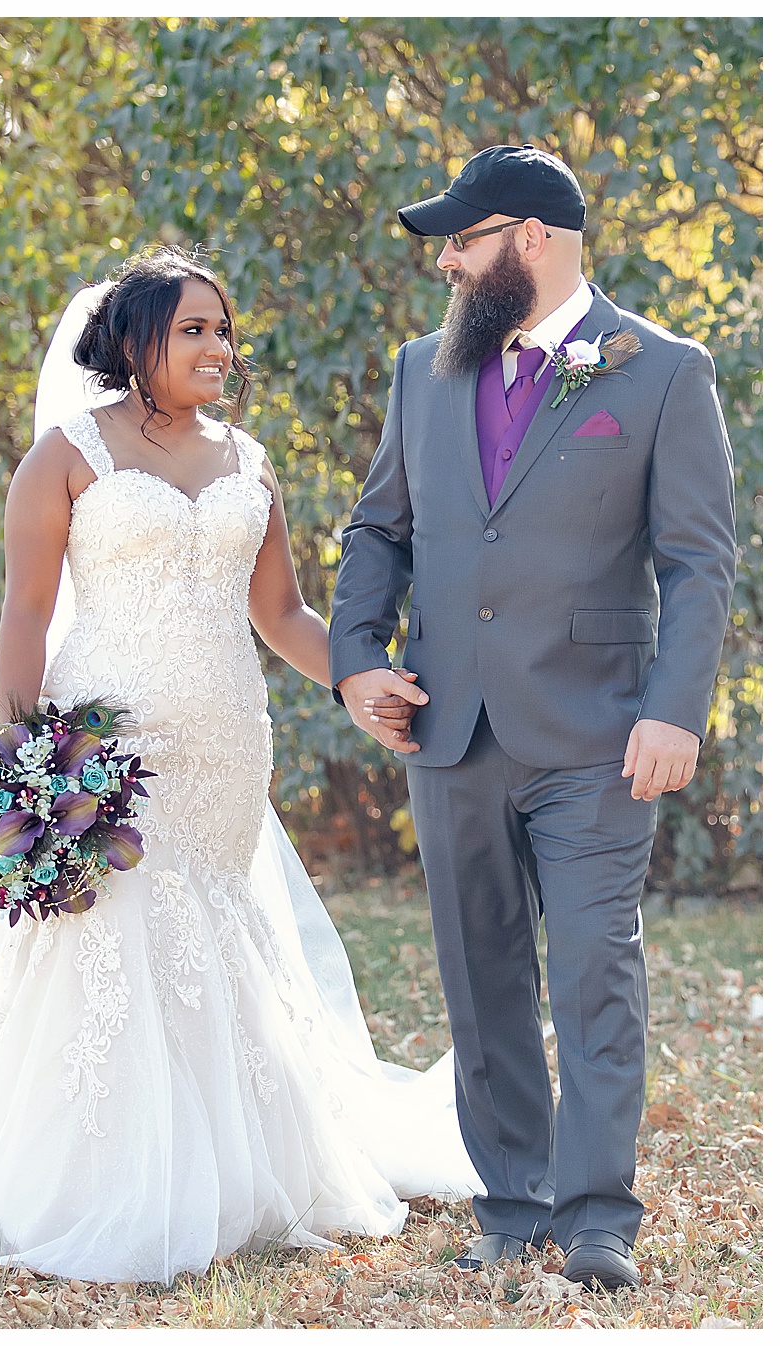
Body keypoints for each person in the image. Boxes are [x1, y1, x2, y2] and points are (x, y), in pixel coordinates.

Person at [0, 247, 482, 1284]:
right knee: (118, 933)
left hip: (224, 741)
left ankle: (230, 1168)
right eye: (195, 328)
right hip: (105, 741)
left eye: (223, 328)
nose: (220, 346)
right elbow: (25, 612)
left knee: (211, 928)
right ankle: (101, 1177)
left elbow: (284, 612)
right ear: (135, 342)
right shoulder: (69, 454)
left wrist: (357, 679)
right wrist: (33, 759)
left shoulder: (249, 462)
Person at [329, 145, 737, 1290]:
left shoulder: (661, 371)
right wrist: (357, 661)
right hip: (446, 729)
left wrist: (675, 712)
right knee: (480, 970)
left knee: (598, 970)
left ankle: (599, 1212)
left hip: (602, 733)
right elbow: (379, 533)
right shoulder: (423, 369)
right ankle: (513, 1201)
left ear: (536, 240)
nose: (448, 262)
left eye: (464, 240)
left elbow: (699, 562)